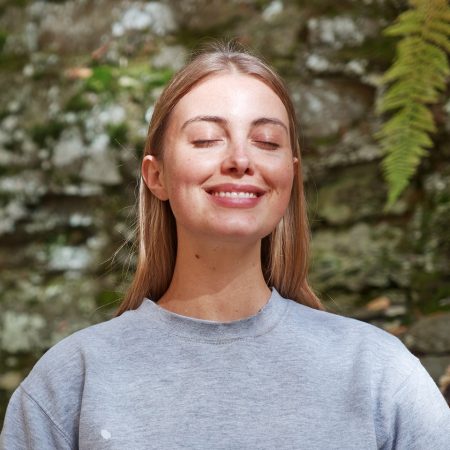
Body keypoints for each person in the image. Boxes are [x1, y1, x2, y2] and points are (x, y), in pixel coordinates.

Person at [1, 42, 449, 450]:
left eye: (267, 141)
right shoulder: (72, 382)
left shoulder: (378, 373)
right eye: (206, 139)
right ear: (156, 176)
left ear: (290, 176)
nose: (240, 160)